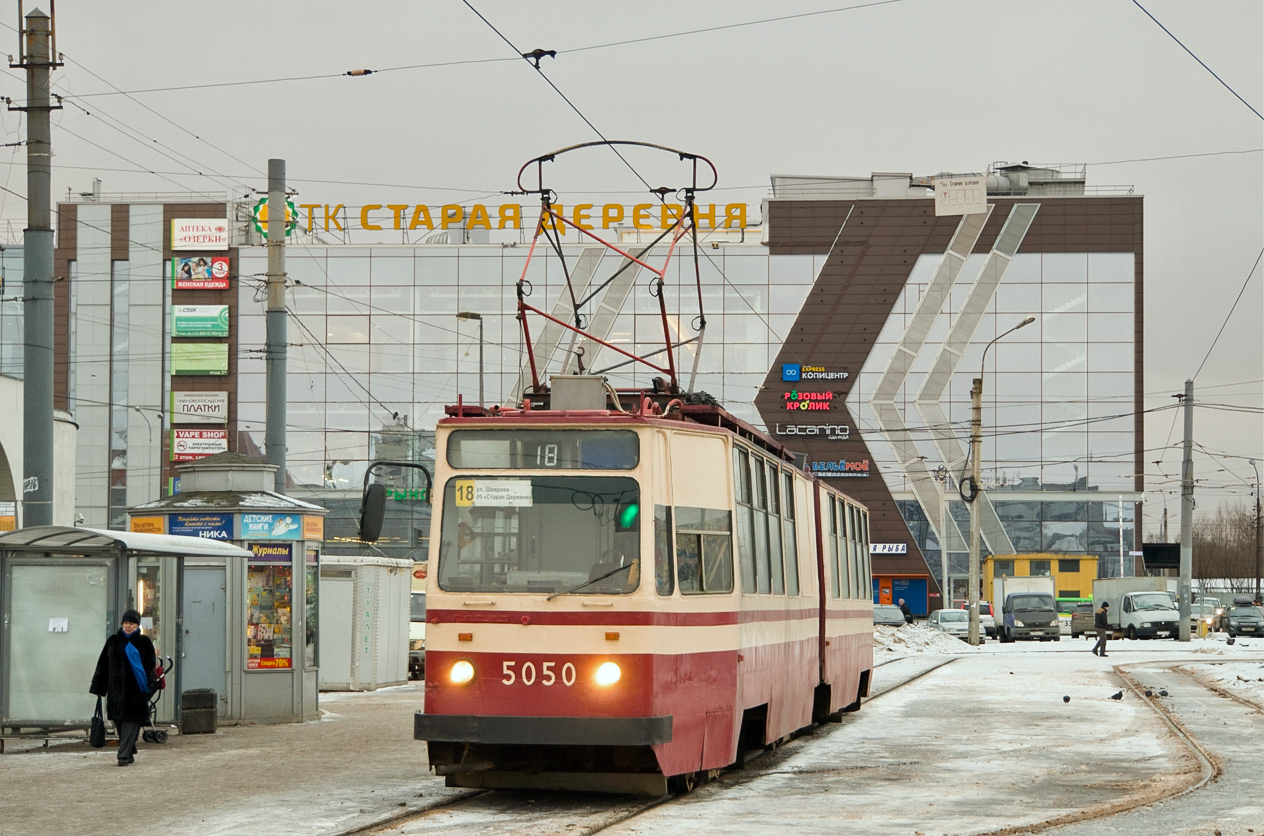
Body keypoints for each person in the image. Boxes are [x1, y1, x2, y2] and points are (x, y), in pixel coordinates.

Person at [89, 609, 157, 766]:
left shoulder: (144, 642)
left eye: (131, 623)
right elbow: (103, 665)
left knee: (131, 722)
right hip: (116, 692)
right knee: (120, 723)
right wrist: (98, 688)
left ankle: (123, 756)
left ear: (137, 625)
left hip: (136, 692)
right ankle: (129, 749)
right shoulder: (113, 641)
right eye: (126, 623)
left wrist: (149, 688)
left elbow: (150, 667)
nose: (128, 626)